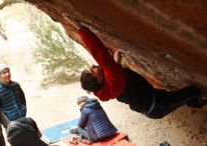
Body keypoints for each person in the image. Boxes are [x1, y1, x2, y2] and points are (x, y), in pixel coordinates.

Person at [63, 15, 206, 119]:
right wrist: (80, 29)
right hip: (158, 106)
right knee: (193, 90)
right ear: (99, 80)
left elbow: (113, 76)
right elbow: (98, 52)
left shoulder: (107, 88)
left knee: (181, 96)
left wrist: (116, 63)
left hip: (154, 100)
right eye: (92, 70)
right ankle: (198, 103)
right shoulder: (113, 79)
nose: (94, 66)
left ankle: (193, 101)